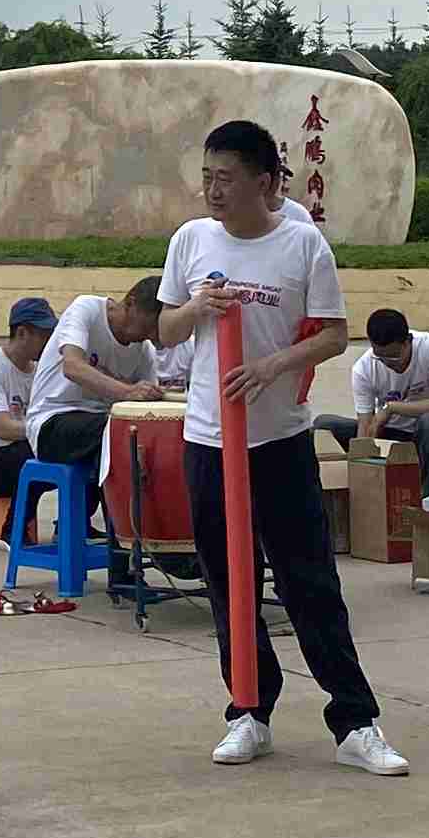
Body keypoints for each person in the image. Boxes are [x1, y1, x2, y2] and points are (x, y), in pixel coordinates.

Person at [157, 120, 409, 778]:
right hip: (209, 439)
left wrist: (271, 366)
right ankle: (248, 711)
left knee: (309, 582)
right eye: (207, 177)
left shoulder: (300, 243)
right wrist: (197, 309)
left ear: (265, 181)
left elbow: (333, 335)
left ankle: (354, 722)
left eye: (227, 178)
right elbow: (164, 329)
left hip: (278, 440)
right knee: (227, 581)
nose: (213, 190)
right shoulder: (191, 240)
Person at [26, 276, 181, 535]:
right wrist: (127, 391)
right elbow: (72, 367)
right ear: (130, 303)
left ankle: (131, 535)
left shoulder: (143, 351)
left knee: (143, 441)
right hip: (51, 422)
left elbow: (146, 409)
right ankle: (120, 540)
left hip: (98, 426)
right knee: (116, 435)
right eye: (149, 326)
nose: (151, 336)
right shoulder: (86, 309)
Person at [317, 306, 429, 498]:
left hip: (427, 439)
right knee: (324, 425)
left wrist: (391, 408)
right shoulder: (364, 368)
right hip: (391, 438)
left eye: (394, 357)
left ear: (408, 341)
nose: (389, 364)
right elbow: (365, 426)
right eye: (381, 358)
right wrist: (363, 459)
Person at [0, 300, 57, 506]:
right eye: (44, 336)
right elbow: (4, 429)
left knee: (88, 457)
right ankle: (14, 524)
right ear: (22, 333)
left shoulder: (41, 370)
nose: (50, 343)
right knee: (57, 451)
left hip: (25, 447)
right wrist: (51, 431)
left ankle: (76, 521)